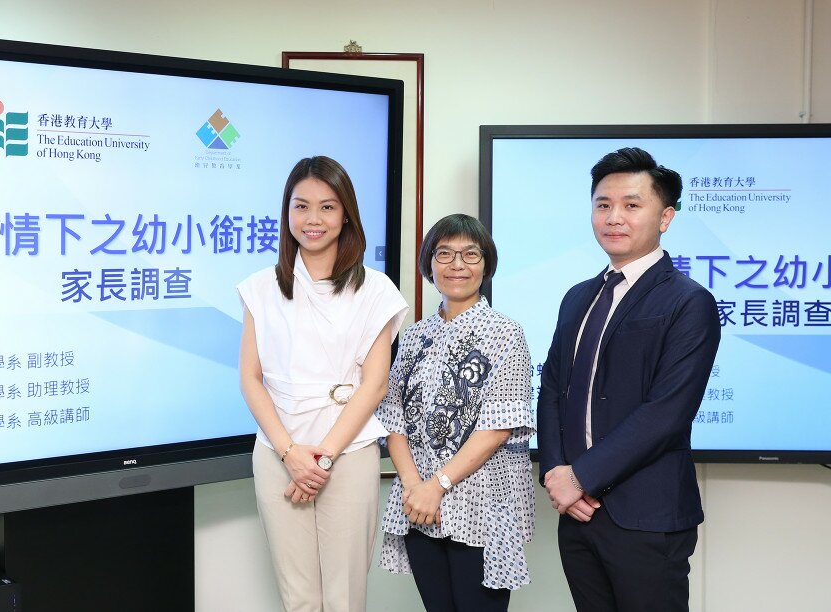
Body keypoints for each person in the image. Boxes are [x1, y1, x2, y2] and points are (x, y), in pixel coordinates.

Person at [537, 147, 721, 612]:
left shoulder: (688, 302)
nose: (614, 216)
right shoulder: (578, 297)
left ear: (665, 217)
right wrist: (557, 474)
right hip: (578, 515)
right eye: (603, 204)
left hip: (646, 516)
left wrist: (580, 477)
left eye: (632, 205)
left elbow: (666, 413)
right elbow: (553, 391)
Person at [237, 155, 409, 612]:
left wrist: (324, 456)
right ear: (286, 212)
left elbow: (374, 385)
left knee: (345, 596)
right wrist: (291, 454)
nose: (313, 219)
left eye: (328, 207)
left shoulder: (375, 290)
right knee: (298, 597)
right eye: (301, 206)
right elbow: (251, 379)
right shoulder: (260, 287)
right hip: (278, 452)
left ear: (346, 214)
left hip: (348, 452)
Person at [377, 213, 535, 612]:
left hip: (481, 505)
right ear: (429, 263)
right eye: (444, 254)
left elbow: (498, 427)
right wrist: (416, 488)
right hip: (420, 508)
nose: (457, 265)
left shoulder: (505, 332)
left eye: (470, 254)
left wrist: (437, 486)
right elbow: (393, 418)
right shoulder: (414, 335)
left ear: (486, 264)